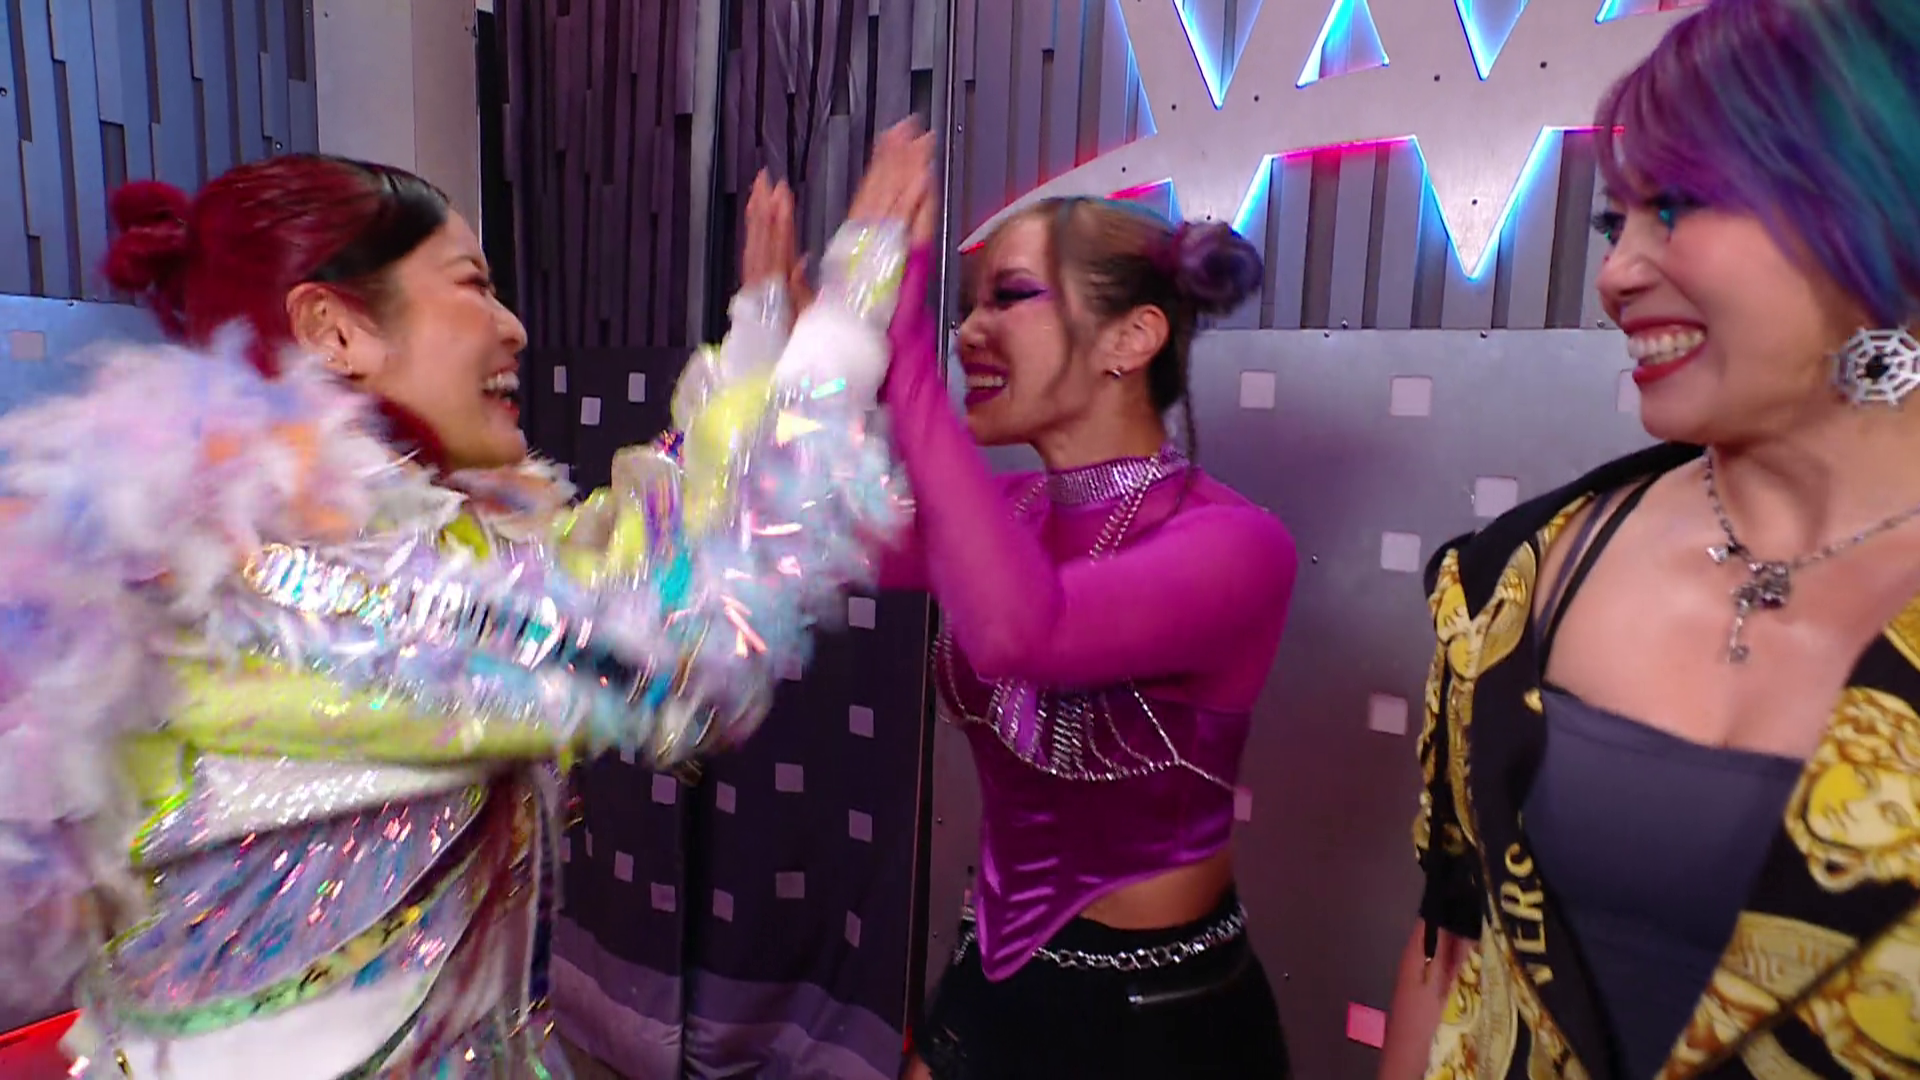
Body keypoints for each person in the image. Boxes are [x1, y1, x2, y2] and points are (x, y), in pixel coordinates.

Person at [0, 152, 918, 1078]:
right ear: (333, 329)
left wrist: (759, 341)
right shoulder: (259, 577)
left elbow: (622, 568)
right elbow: (673, 661)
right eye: (473, 284)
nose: (513, 326)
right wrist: (845, 329)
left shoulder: (427, 533)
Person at [1376, 2, 1920, 1077]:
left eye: (1677, 206)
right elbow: (1449, 956)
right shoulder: (1513, 580)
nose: (1618, 274)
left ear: (1881, 206)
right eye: (1613, 224)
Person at [747, 122, 1297, 1077]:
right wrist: (795, 344)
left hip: (1158, 1019)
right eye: (964, 305)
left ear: (1132, 337)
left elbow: (1017, 630)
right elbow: (795, 527)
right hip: (994, 979)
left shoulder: (1237, 546)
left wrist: (902, 349)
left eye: (1009, 297)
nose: (968, 331)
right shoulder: (1007, 515)